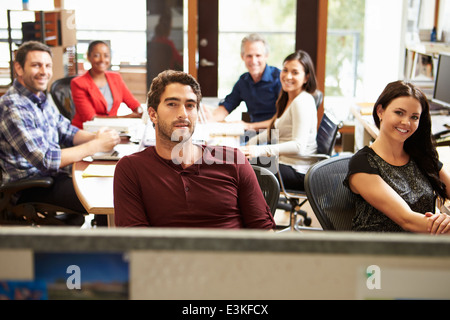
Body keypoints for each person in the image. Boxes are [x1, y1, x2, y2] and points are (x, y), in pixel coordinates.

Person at [113, 70, 275, 229]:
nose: (183, 114)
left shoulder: (233, 160)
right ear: (153, 114)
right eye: (172, 104)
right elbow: (136, 244)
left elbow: (264, 231)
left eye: (190, 105)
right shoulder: (131, 169)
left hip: (234, 255)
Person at [0, 41, 121, 225]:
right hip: (30, 185)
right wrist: (95, 146)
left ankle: (105, 236)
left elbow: (66, 130)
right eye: (36, 65)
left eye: (47, 66)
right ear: (19, 68)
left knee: (109, 185)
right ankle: (108, 244)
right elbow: (46, 160)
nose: (44, 72)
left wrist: (98, 137)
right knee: (106, 195)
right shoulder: (14, 107)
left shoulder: (39, 97)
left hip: (50, 177)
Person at [344, 80, 450, 234]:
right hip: (380, 251)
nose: (406, 122)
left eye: (414, 117)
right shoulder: (363, 164)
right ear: (380, 111)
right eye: (399, 112)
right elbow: (407, 220)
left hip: (420, 246)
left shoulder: (420, 156)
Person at [240, 50, 318, 192]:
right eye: (285, 70)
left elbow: (299, 146)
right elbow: (273, 131)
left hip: (297, 171)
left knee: (239, 170)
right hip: (284, 163)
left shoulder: (302, 101)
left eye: (295, 72)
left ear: (306, 77)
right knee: (234, 161)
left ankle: (256, 213)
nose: (288, 76)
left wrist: (259, 150)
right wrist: (250, 144)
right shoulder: (288, 98)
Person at [206, 33, 281, 131]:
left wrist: (248, 126)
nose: (254, 61)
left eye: (258, 55)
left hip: (276, 133)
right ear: (242, 57)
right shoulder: (243, 82)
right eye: (249, 56)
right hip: (254, 133)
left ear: (266, 56)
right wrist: (207, 118)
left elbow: (283, 119)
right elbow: (226, 108)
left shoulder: (279, 79)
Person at [71, 40, 142, 129]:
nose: (102, 60)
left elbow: (133, 103)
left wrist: (140, 111)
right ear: (88, 57)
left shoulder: (115, 77)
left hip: (111, 131)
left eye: (106, 56)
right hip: (86, 132)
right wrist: (126, 118)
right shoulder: (78, 83)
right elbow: (91, 119)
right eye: (97, 55)